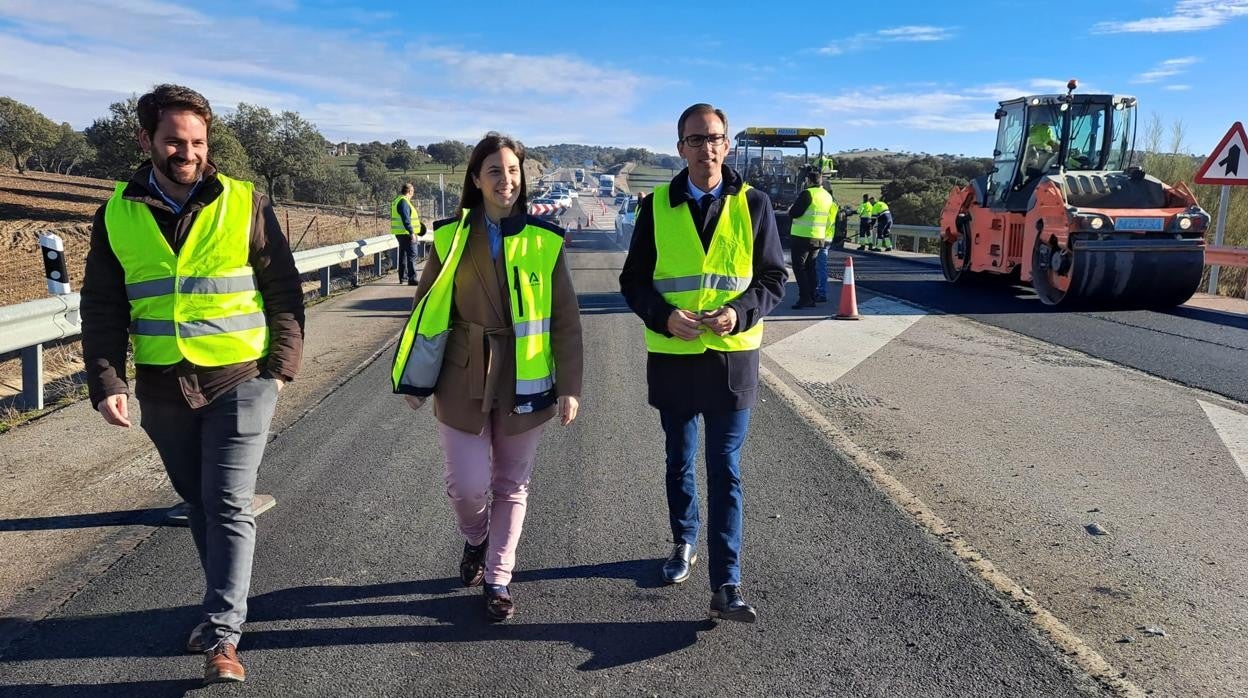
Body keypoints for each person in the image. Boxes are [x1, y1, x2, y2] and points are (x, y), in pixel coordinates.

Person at [81, 84, 304, 684]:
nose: (189, 152)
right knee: (200, 501)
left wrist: (281, 366)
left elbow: (282, 287)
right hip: (161, 386)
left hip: (241, 376)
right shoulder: (117, 213)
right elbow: (102, 304)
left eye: (198, 142)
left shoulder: (243, 201)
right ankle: (222, 610)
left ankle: (224, 637)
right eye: (175, 141)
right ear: (146, 140)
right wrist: (106, 379)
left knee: (229, 502)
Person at [391, 132, 583, 622]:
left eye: (514, 171)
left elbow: (564, 318)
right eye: (494, 171)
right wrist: (415, 376)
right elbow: (426, 308)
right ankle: (475, 539)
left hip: (527, 377)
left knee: (512, 484)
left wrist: (570, 387)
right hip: (462, 372)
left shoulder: (544, 239)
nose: (506, 180)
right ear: (476, 179)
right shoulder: (451, 235)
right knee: (467, 485)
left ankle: (499, 578)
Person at [619, 103, 786, 623]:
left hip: (732, 361)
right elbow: (634, 282)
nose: (705, 148)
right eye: (695, 140)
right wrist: (663, 316)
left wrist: (739, 312)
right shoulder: (656, 208)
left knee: (725, 468)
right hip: (674, 358)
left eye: (714, 138)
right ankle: (683, 542)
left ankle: (728, 582)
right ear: (680, 148)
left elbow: (774, 280)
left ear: (727, 144)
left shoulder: (755, 204)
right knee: (679, 460)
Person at [788, 168, 835, 308]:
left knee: (799, 267)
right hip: (818, 237)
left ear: (808, 181)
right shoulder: (827, 196)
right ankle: (812, 297)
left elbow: (795, 212)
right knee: (811, 267)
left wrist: (791, 209)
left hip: (802, 235)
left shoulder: (807, 193)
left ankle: (805, 297)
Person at [392, 183, 419, 284]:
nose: (413, 194)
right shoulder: (404, 202)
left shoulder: (397, 200)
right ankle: (412, 279)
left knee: (403, 255)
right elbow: (406, 219)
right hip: (407, 233)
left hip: (400, 233)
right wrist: (412, 232)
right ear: (410, 191)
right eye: (413, 191)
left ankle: (403, 278)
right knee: (412, 255)